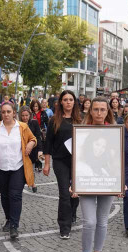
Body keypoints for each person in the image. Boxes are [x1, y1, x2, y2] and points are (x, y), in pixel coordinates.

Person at [76, 97, 120, 252]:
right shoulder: (81, 131)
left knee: (102, 221)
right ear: (90, 111)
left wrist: (120, 181)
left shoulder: (114, 131)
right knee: (90, 222)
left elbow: (119, 159)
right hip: (85, 181)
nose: (99, 113)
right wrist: (74, 182)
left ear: (107, 111)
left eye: (103, 109)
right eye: (96, 109)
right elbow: (75, 159)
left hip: (107, 181)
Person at [0, 102, 37, 238]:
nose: (6, 114)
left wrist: (30, 144)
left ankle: (14, 226)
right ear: (0, 113)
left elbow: (33, 139)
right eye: (3, 112)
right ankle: (9, 219)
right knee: (4, 196)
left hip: (18, 167)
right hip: (1, 167)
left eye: (8, 112)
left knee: (15, 195)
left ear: (14, 113)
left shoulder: (22, 127)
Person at [43, 90, 82, 239]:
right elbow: (48, 144)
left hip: (78, 161)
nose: (68, 102)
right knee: (65, 193)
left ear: (74, 102)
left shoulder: (80, 119)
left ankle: (72, 213)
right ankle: (64, 227)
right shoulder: (54, 120)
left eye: (70, 99)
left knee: (76, 193)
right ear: (61, 102)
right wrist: (47, 164)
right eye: (65, 100)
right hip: (60, 161)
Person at [19, 106, 42, 193]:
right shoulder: (17, 124)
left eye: (26, 115)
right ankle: (21, 184)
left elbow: (38, 137)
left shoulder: (34, 123)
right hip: (21, 150)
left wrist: (40, 150)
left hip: (33, 150)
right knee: (21, 168)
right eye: (23, 115)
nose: (25, 118)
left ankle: (32, 183)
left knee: (31, 168)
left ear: (30, 115)